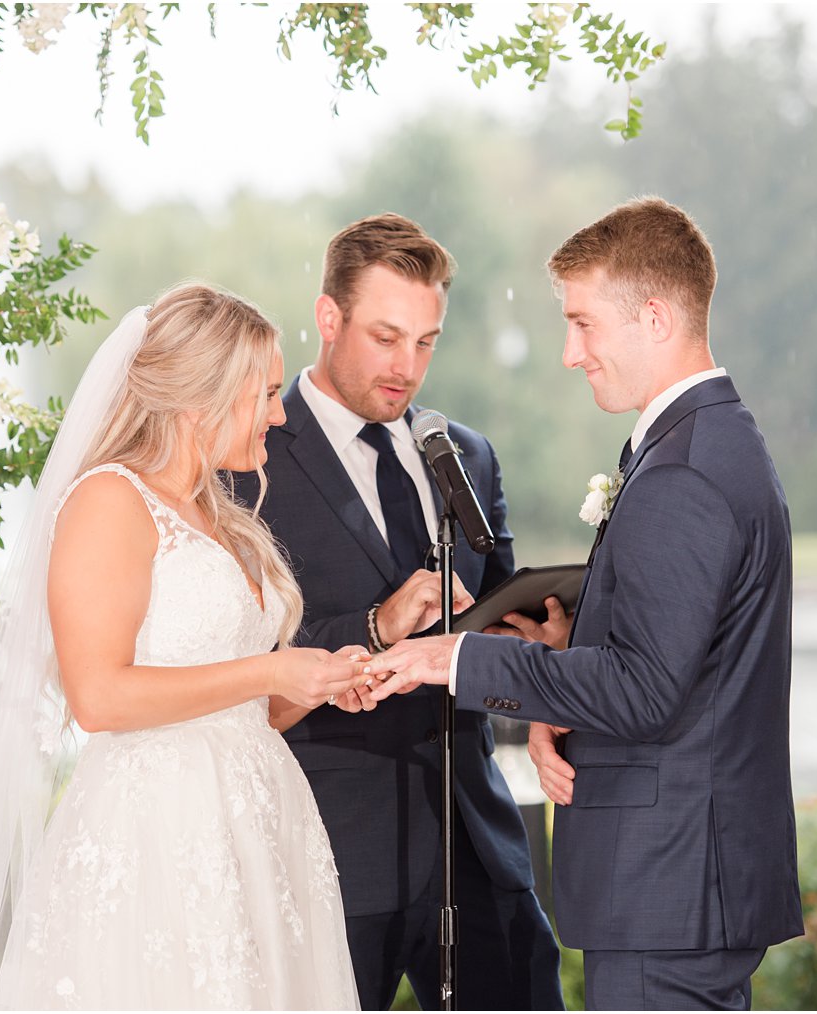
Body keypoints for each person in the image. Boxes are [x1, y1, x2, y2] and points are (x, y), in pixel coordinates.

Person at [0, 284, 371, 1010]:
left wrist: (311, 684)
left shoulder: (222, 518)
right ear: (202, 399)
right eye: (263, 395)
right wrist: (270, 667)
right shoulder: (109, 501)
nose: (279, 413)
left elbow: (238, 714)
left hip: (258, 832)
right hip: (157, 836)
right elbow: (97, 698)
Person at [369, 197, 804, 1011]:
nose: (571, 354)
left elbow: (644, 690)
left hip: (668, 883)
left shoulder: (685, 473)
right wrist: (565, 653)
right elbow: (680, 658)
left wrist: (457, 657)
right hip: (683, 881)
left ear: (654, 315)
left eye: (584, 324)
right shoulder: (705, 444)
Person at [232, 213, 563, 1011]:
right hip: (331, 849)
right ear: (328, 318)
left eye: (426, 342)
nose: (406, 366)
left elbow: (502, 623)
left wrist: (551, 645)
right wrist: (375, 628)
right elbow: (234, 661)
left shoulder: (467, 454)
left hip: (479, 846)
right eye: (385, 337)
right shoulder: (247, 458)